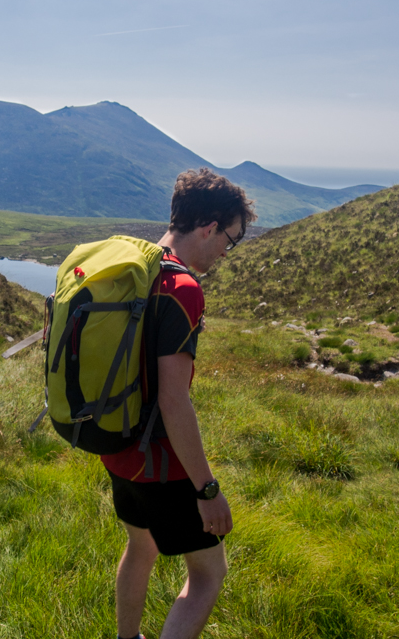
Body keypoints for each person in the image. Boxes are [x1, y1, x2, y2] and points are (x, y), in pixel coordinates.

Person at [101, 168, 256, 639]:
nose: (227, 252)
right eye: (230, 239)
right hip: (161, 463)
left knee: (140, 546)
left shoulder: (132, 269)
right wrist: (207, 490)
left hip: (117, 446)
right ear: (208, 227)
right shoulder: (182, 289)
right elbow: (174, 401)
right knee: (209, 575)